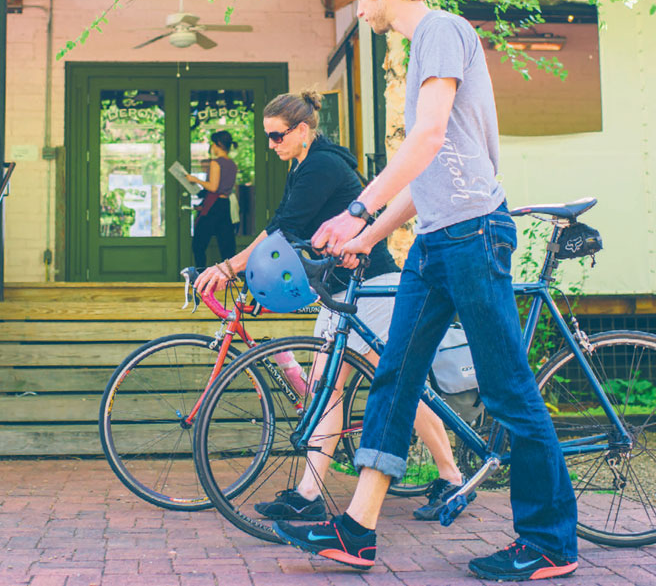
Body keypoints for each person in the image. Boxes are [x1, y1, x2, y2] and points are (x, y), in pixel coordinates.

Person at [271, 0, 579, 580]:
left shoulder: (441, 30)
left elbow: (430, 138)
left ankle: (550, 542)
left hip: (473, 233)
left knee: (506, 387)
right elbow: (424, 173)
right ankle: (357, 529)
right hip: (438, 239)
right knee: (395, 376)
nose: (358, 5)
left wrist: (357, 210)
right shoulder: (421, 53)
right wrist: (365, 235)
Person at [194, 90, 468, 524]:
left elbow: (282, 231)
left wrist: (230, 267)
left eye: (277, 136)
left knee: (351, 385)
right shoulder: (304, 164)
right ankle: (322, 490)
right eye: (267, 138)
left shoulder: (320, 165)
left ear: (302, 130)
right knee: (360, 386)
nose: (272, 146)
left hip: (373, 286)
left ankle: (441, 478)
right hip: (343, 290)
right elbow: (296, 239)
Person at [187, 130, 238, 269]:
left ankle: (200, 276)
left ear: (218, 144)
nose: (212, 148)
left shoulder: (216, 163)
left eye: (213, 144)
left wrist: (194, 179)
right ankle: (230, 277)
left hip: (214, 206)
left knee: (198, 244)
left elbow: (213, 187)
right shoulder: (232, 164)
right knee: (226, 245)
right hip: (224, 204)